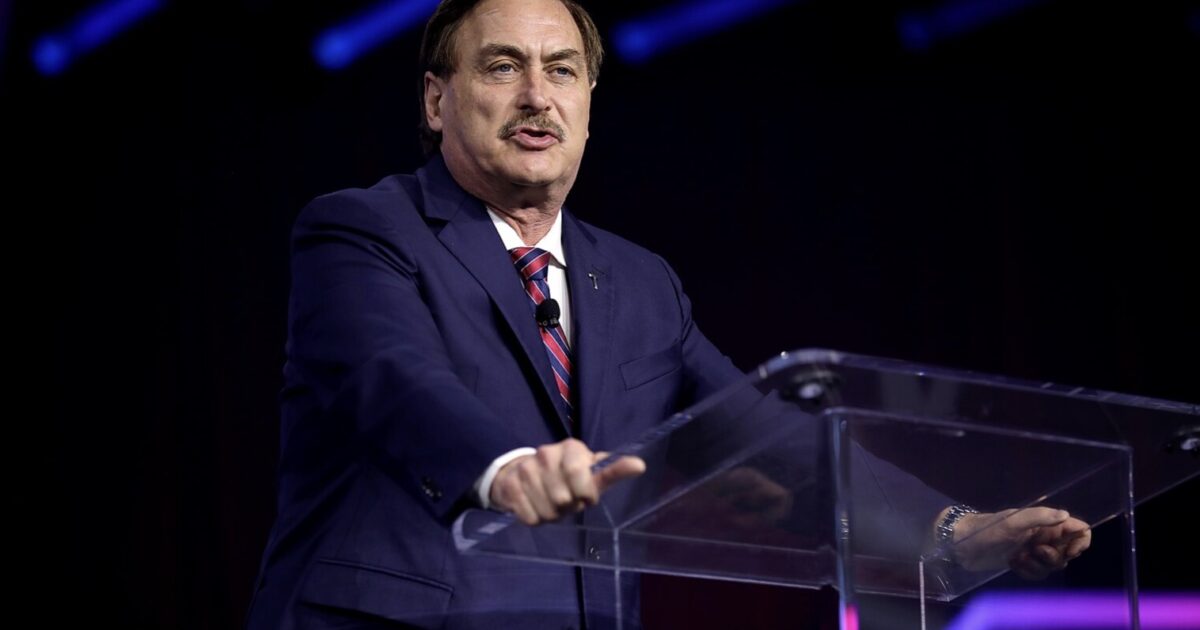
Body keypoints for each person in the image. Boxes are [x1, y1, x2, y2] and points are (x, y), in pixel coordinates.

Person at [245, 1, 1089, 628]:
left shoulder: (640, 282)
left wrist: (951, 529)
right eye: (502, 67)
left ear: (588, 100)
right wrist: (503, 467)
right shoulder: (362, 230)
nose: (537, 95)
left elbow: (768, 440)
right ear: (437, 101)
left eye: (561, 70)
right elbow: (393, 378)